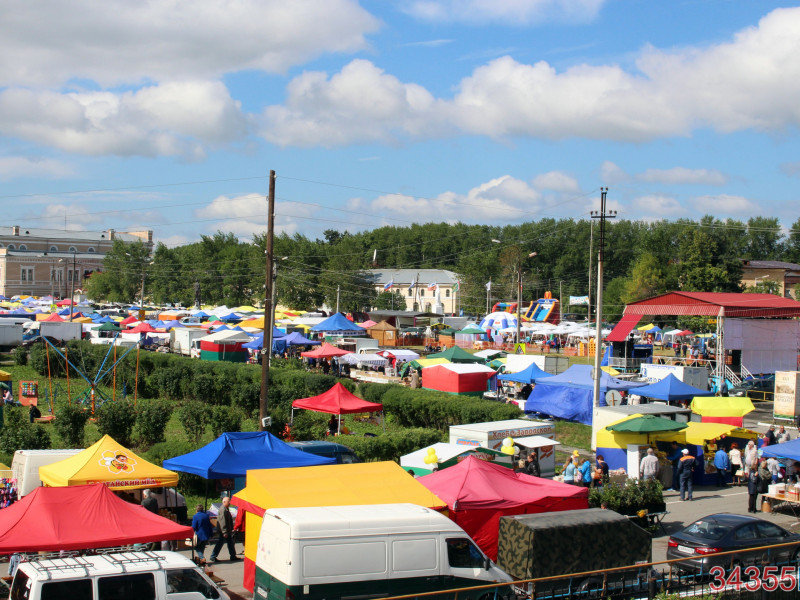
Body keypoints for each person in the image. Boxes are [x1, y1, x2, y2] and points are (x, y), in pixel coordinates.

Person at [209, 496, 240, 563]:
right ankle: (213, 556)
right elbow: (223, 521)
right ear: (224, 502)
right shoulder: (223, 510)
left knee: (230, 543)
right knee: (220, 543)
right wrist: (224, 532)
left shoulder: (226, 509)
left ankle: (233, 556)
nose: (230, 503)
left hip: (227, 530)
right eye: (229, 502)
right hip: (223, 531)